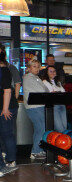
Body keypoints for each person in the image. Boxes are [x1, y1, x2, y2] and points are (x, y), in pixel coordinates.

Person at [23, 59, 49, 159]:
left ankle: (37, 150)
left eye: (38, 66)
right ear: (29, 68)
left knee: (40, 128)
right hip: (34, 107)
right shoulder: (29, 77)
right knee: (41, 128)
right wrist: (44, 88)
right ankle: (35, 151)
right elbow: (44, 90)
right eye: (34, 66)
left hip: (38, 106)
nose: (37, 69)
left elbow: (45, 90)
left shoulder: (35, 77)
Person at [0, 46, 19, 175]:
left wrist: (5, 108)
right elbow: (8, 90)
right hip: (5, 107)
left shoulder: (6, 69)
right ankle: (7, 162)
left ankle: (9, 161)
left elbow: (9, 90)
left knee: (7, 134)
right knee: (7, 134)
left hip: (6, 107)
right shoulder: (5, 69)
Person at [40, 66, 67, 133]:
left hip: (62, 105)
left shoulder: (58, 82)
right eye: (50, 71)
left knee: (65, 127)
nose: (53, 73)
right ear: (47, 73)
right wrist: (59, 93)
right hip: (54, 107)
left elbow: (64, 93)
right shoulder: (45, 82)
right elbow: (52, 93)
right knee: (60, 128)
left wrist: (58, 92)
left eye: (54, 71)